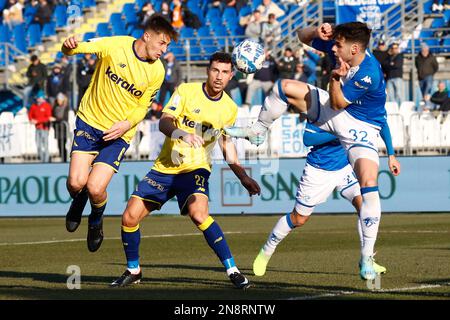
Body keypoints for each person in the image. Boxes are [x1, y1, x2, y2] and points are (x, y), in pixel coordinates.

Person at [226, 22, 399, 281]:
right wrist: (315, 31)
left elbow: (346, 104)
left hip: (358, 129)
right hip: (324, 161)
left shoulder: (369, 72)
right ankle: (259, 129)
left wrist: (391, 153)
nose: (334, 49)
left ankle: (367, 259)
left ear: (353, 48)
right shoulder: (344, 52)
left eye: (338, 46)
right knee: (283, 87)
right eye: (334, 44)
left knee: (368, 189)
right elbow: (301, 36)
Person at [110, 52, 261, 288]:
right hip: (165, 167)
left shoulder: (229, 109)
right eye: (215, 70)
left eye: (224, 72)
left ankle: (232, 270)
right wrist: (182, 134)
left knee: (198, 213)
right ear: (207, 71)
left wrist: (242, 176)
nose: (219, 76)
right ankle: (134, 270)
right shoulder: (186, 91)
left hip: (196, 168)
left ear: (231, 75)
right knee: (129, 217)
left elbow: (225, 143)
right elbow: (164, 121)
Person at [61, 15, 178, 252]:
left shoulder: (157, 71)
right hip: (90, 121)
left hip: (118, 134)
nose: (163, 50)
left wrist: (126, 124)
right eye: (162, 43)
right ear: (147, 36)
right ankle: (79, 198)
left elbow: (143, 106)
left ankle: (96, 219)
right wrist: (68, 48)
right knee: (75, 183)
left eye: (167, 46)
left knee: (95, 187)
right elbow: (81, 48)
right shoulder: (116, 45)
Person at [253, 118, 400, 277]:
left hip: (345, 166)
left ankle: (367, 258)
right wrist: (339, 131)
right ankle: (266, 251)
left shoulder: (355, 107)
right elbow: (308, 139)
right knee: (299, 219)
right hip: (319, 170)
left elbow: (381, 122)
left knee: (364, 205)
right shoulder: (323, 106)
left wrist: (391, 154)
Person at [28, 90, 54, 163]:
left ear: (43, 98)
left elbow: (48, 117)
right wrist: (31, 120)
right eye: (37, 98)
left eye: (39, 98)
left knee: (45, 145)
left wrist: (37, 121)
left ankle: (46, 160)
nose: (38, 99)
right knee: (38, 145)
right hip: (37, 128)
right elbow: (30, 115)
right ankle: (42, 159)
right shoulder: (33, 106)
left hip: (44, 128)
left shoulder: (47, 106)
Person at [415, 43, 439, 109]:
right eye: (423, 50)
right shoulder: (418, 58)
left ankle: (426, 101)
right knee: (423, 91)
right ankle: (426, 105)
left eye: (426, 50)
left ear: (428, 50)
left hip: (429, 76)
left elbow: (436, 67)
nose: (425, 51)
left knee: (428, 87)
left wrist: (431, 73)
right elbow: (417, 66)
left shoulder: (432, 57)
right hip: (421, 78)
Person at [52, 92, 69, 162]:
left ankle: (65, 159)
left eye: (60, 100)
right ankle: (62, 158)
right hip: (57, 129)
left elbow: (64, 118)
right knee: (59, 145)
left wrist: (56, 119)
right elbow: (53, 116)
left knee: (63, 145)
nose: (59, 101)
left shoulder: (66, 107)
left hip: (63, 129)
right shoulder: (55, 107)